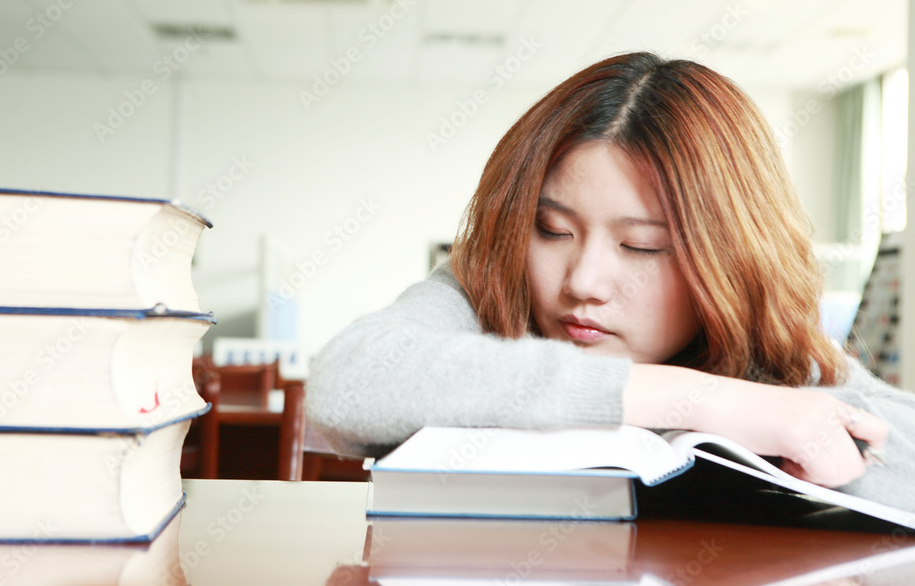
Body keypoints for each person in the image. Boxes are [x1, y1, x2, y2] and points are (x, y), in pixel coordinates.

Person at [304, 52, 915, 512]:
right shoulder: (491, 277)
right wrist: (699, 399)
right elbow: (347, 383)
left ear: (730, 260)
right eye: (551, 229)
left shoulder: (754, 331)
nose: (584, 282)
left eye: (641, 245)